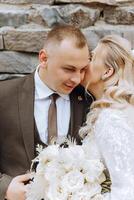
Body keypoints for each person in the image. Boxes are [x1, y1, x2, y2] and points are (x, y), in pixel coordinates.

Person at [0, 25, 93, 200]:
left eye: (82, 70)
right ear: (43, 58)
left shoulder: (89, 100)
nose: (77, 79)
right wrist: (4, 188)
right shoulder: (3, 96)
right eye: (69, 69)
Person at [80, 34, 134, 199]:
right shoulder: (111, 112)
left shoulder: (111, 118)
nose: (84, 63)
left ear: (107, 71)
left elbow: (127, 190)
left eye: (92, 57)